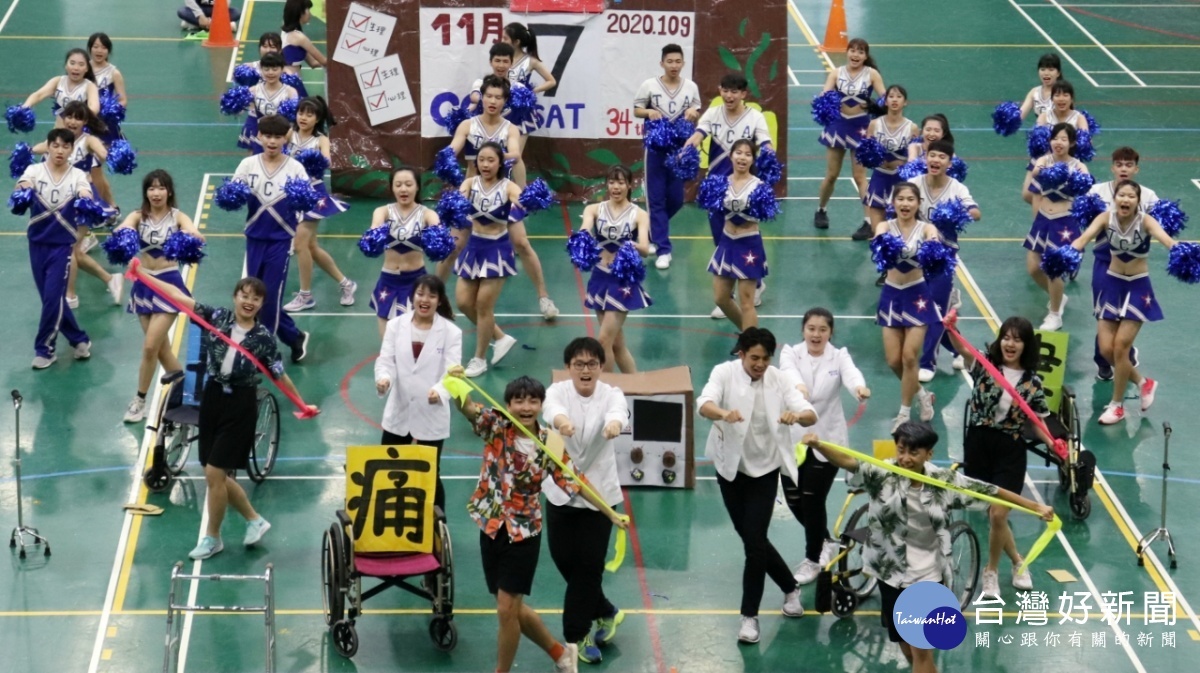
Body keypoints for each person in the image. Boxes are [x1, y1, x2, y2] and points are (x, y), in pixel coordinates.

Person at [802, 422, 1054, 673]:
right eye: (901, 450)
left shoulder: (944, 482)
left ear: (928, 454)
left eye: (914, 453)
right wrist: (818, 445)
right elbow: (848, 462)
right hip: (889, 574)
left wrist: (1035, 507)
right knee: (907, 648)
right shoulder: (882, 473)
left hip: (927, 577)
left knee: (921, 652)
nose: (905, 458)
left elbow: (992, 491)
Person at [134, 271, 315, 560]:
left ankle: (212, 537)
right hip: (213, 396)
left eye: (256, 298)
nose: (249, 301)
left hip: (241, 404)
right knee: (212, 470)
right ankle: (255, 520)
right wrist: (142, 274)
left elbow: (278, 375)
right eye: (244, 295)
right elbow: (177, 296)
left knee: (214, 472)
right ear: (234, 298)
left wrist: (302, 404)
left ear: (261, 305)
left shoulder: (264, 339)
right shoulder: (217, 318)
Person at [454, 374, 625, 673]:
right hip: (491, 525)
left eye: (533, 400)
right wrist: (456, 384)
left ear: (540, 405)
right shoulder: (497, 425)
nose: (525, 406)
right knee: (512, 608)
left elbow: (576, 480)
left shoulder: (550, 443)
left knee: (506, 608)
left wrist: (609, 512)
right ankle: (559, 653)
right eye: (518, 400)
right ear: (508, 404)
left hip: (524, 533)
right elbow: (468, 408)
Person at [696, 327, 817, 643]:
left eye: (765, 358)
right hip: (730, 470)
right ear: (741, 354)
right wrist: (724, 412)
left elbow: (808, 412)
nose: (760, 364)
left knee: (753, 542)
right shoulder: (724, 373)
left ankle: (749, 618)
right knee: (754, 539)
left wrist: (799, 416)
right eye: (754, 358)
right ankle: (790, 587)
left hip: (765, 470)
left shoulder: (778, 379)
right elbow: (704, 403)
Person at [943, 315, 1056, 597]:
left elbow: (1037, 421)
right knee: (996, 517)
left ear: (1026, 345)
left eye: (1017, 339)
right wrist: (951, 328)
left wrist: (1054, 443)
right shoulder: (985, 366)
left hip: (1010, 450)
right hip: (979, 445)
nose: (1010, 343)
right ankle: (1019, 562)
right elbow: (963, 349)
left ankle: (990, 572)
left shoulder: (1033, 383)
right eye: (1006, 337)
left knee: (998, 513)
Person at [543, 337, 630, 664]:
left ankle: (574, 639)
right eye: (578, 364)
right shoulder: (557, 392)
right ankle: (607, 611)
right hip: (562, 492)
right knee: (565, 562)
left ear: (601, 367)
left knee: (587, 571)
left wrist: (614, 425)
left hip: (598, 498)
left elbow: (620, 413)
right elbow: (552, 411)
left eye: (592, 364)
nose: (585, 370)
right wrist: (562, 422)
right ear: (569, 368)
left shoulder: (611, 394)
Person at [450, 72, 559, 321]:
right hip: (471, 194)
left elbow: (515, 154)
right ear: (482, 97)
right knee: (453, 245)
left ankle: (544, 297)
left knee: (521, 243)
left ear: (505, 101)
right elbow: (452, 148)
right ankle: (439, 300)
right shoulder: (467, 125)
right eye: (489, 95)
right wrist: (447, 155)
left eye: (499, 97)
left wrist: (492, 157)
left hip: (502, 194)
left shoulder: (511, 128)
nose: (493, 101)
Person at [1070, 180, 1177, 424]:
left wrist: (1179, 249)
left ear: (1138, 201)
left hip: (1139, 287)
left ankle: (1116, 406)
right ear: (1115, 198)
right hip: (1112, 284)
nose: (1126, 199)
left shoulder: (1146, 221)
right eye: (1122, 195)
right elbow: (1084, 237)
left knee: (1121, 347)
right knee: (1107, 349)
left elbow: (1166, 239)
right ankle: (1143, 382)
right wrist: (1073, 248)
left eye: (1131, 196)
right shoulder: (1105, 218)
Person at [778, 308, 870, 584]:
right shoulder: (790, 353)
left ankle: (812, 559)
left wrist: (859, 389)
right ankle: (824, 541)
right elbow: (789, 373)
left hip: (826, 440)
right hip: (794, 438)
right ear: (803, 330)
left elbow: (851, 374)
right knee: (794, 500)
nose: (816, 334)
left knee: (812, 498)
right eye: (811, 328)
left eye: (822, 329)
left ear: (830, 332)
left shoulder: (839, 356)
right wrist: (799, 388)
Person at [117, 169, 205, 423]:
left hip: (169, 284)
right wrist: (121, 234)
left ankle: (139, 400)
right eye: (151, 188)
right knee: (162, 350)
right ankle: (192, 394)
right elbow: (123, 228)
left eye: (161, 188)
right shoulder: (137, 216)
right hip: (143, 283)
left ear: (169, 191)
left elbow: (192, 230)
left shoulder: (177, 217)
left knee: (149, 346)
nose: (156, 193)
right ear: (146, 192)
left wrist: (194, 236)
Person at [375, 274, 462, 511]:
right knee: (389, 469)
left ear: (440, 301)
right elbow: (386, 361)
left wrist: (439, 391)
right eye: (420, 294)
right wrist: (384, 379)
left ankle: (437, 526)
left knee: (430, 473)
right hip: (399, 411)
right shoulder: (395, 326)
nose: (425, 300)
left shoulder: (452, 333)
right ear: (412, 296)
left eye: (431, 296)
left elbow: (452, 372)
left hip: (431, 412)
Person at [229, 114, 311, 362]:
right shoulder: (248, 165)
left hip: (280, 241)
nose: (272, 141)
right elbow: (232, 194)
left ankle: (265, 350)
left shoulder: (295, 168)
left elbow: (307, 202)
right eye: (268, 136)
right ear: (259, 137)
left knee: (271, 297)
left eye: (278, 137)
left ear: (285, 138)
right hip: (254, 239)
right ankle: (295, 336)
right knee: (253, 297)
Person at [31, 101, 122, 310]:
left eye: (78, 117)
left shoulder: (88, 140)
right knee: (74, 250)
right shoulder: (59, 139)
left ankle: (70, 296)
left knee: (70, 247)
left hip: (83, 199)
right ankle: (110, 278)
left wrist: (112, 156)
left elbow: (102, 152)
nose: (72, 121)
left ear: (85, 121)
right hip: (62, 199)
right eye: (69, 116)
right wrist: (27, 151)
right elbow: (41, 147)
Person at [16, 128, 94, 369]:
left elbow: (86, 191)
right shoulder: (34, 171)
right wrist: (23, 187)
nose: (60, 150)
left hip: (62, 247)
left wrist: (84, 194)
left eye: (65, 146)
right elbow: (22, 184)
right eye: (56, 145)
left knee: (51, 299)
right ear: (48, 146)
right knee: (52, 299)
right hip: (36, 244)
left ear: (71, 150)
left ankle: (45, 349)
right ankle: (79, 339)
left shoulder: (78, 175)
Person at [906, 140, 981, 382]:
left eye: (941, 157)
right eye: (931, 155)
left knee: (934, 310)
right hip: (915, 256)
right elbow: (896, 206)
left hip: (943, 259)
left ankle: (928, 362)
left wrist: (955, 214)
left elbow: (976, 213)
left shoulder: (957, 188)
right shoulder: (914, 184)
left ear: (950, 162)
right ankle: (958, 349)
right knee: (921, 307)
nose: (935, 160)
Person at [1085, 147, 1157, 381]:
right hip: (1104, 261)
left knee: (1127, 313)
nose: (1123, 169)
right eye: (1119, 164)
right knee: (1104, 314)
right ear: (1112, 167)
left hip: (1133, 266)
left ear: (1136, 169)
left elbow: (1161, 226)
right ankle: (1103, 360)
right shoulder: (1096, 191)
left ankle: (1123, 352)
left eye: (1129, 165)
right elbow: (1084, 219)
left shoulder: (1148, 196)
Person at [281, 96, 356, 312]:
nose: (303, 117)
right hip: (293, 194)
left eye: (309, 114)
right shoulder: (290, 133)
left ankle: (306, 296)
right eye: (301, 113)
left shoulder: (321, 139)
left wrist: (311, 160)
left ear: (318, 118)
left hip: (313, 195)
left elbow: (326, 160)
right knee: (311, 247)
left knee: (299, 245)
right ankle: (346, 284)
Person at [454, 141, 523, 378]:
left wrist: (522, 203)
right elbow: (457, 202)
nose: (485, 164)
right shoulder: (469, 184)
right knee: (463, 302)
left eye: (491, 160)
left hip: (497, 249)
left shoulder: (507, 187)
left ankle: (479, 358)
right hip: (474, 247)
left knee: (484, 305)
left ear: (500, 163)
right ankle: (500, 337)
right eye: (481, 160)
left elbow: (520, 199)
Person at [875, 183, 939, 431]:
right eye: (900, 199)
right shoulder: (884, 226)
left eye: (910, 199)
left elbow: (933, 243)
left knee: (910, 356)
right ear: (893, 203)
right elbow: (879, 241)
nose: (905, 204)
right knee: (893, 360)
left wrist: (933, 246)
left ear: (918, 203)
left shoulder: (927, 229)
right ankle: (923, 395)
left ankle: (903, 413)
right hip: (891, 294)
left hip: (917, 295)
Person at [633, 43, 702, 270]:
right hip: (654, 150)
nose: (674, 65)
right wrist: (649, 112)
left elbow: (696, 110)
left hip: (679, 151)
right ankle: (663, 249)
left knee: (676, 199)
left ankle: (647, 230)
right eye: (669, 61)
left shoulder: (691, 87)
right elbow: (636, 109)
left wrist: (694, 113)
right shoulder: (649, 85)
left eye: (678, 61)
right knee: (656, 200)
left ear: (683, 63)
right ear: (662, 63)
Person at [579, 165, 652, 373]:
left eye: (621, 182)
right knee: (616, 345)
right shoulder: (593, 209)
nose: (616, 187)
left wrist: (631, 246)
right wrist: (583, 238)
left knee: (602, 341)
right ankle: (637, 388)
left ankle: (606, 390)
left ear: (630, 185)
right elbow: (585, 228)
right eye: (612, 182)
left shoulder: (639, 214)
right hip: (600, 277)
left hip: (622, 281)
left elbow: (645, 249)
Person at [814, 37, 885, 239]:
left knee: (860, 177)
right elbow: (824, 96)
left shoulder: (872, 74)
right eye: (852, 50)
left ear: (865, 56)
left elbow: (885, 99)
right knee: (832, 175)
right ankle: (821, 209)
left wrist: (872, 105)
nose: (855, 55)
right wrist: (828, 101)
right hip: (838, 126)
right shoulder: (836, 73)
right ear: (847, 52)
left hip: (861, 129)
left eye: (861, 52)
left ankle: (868, 221)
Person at [1023, 122, 1090, 331]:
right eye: (1055, 138)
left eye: (1063, 139)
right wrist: (1036, 220)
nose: (1058, 143)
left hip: (1065, 222)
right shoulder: (1044, 160)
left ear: (1072, 143)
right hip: (1043, 220)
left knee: (1055, 271)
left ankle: (1054, 315)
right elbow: (1035, 179)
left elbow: (1086, 190)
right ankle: (1059, 298)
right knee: (1033, 268)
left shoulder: (1079, 166)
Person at [367, 167, 443, 337]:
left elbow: (438, 229)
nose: (403, 189)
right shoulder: (383, 211)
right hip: (388, 281)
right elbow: (375, 226)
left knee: (414, 338)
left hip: (416, 282)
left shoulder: (427, 214)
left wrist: (440, 233)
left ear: (417, 187)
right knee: (387, 343)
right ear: (392, 187)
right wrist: (373, 234)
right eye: (398, 184)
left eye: (408, 184)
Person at [706, 139, 771, 331]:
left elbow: (765, 214)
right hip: (727, 242)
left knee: (746, 302)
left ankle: (750, 345)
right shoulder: (721, 184)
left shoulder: (759, 186)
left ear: (752, 160)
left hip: (748, 244)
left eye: (748, 154)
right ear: (730, 156)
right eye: (738, 153)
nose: (742, 157)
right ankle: (747, 334)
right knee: (720, 297)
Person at [501, 22, 556, 185]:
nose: (501, 40)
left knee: (515, 155)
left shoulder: (530, 61)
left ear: (516, 42)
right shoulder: (503, 59)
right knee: (502, 154)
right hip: (503, 111)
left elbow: (551, 81)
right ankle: (505, 190)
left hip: (522, 113)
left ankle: (522, 193)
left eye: (505, 38)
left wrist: (531, 91)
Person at [862, 85, 919, 228]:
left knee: (899, 228)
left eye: (899, 97)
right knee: (878, 232)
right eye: (891, 96)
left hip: (900, 180)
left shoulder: (912, 128)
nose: (895, 100)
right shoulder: (874, 124)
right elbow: (866, 153)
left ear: (905, 102)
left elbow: (916, 158)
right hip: (879, 177)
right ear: (885, 101)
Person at [237, 52, 298, 153]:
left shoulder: (290, 92)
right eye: (266, 69)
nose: (270, 73)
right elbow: (240, 110)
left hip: (282, 139)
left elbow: (294, 121)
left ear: (282, 69)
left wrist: (287, 138)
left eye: (275, 69)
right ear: (261, 70)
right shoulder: (254, 90)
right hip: (261, 139)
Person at [22, 48, 100, 123]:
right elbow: (38, 95)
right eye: (72, 63)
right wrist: (24, 108)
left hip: (81, 133)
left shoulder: (90, 86)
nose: (76, 68)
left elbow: (94, 109)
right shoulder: (58, 81)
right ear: (66, 65)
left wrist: (75, 117)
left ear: (87, 68)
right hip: (59, 133)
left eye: (81, 64)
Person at [87, 32, 126, 146]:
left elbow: (122, 100)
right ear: (90, 49)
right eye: (96, 47)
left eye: (104, 47)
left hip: (105, 123)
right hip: (85, 120)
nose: (99, 51)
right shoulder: (83, 69)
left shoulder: (114, 73)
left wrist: (112, 112)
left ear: (108, 51)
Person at [281, 0, 324, 97]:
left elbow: (313, 63)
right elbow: (323, 61)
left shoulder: (287, 30)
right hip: (292, 82)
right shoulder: (299, 37)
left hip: (289, 80)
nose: (310, 14)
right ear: (300, 13)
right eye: (308, 10)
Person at [1018, 54, 1062, 122]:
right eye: (1042, 69)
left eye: (1051, 70)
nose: (1046, 73)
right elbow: (1020, 115)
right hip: (1040, 131)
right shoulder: (1034, 93)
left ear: (1058, 73)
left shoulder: (1063, 93)